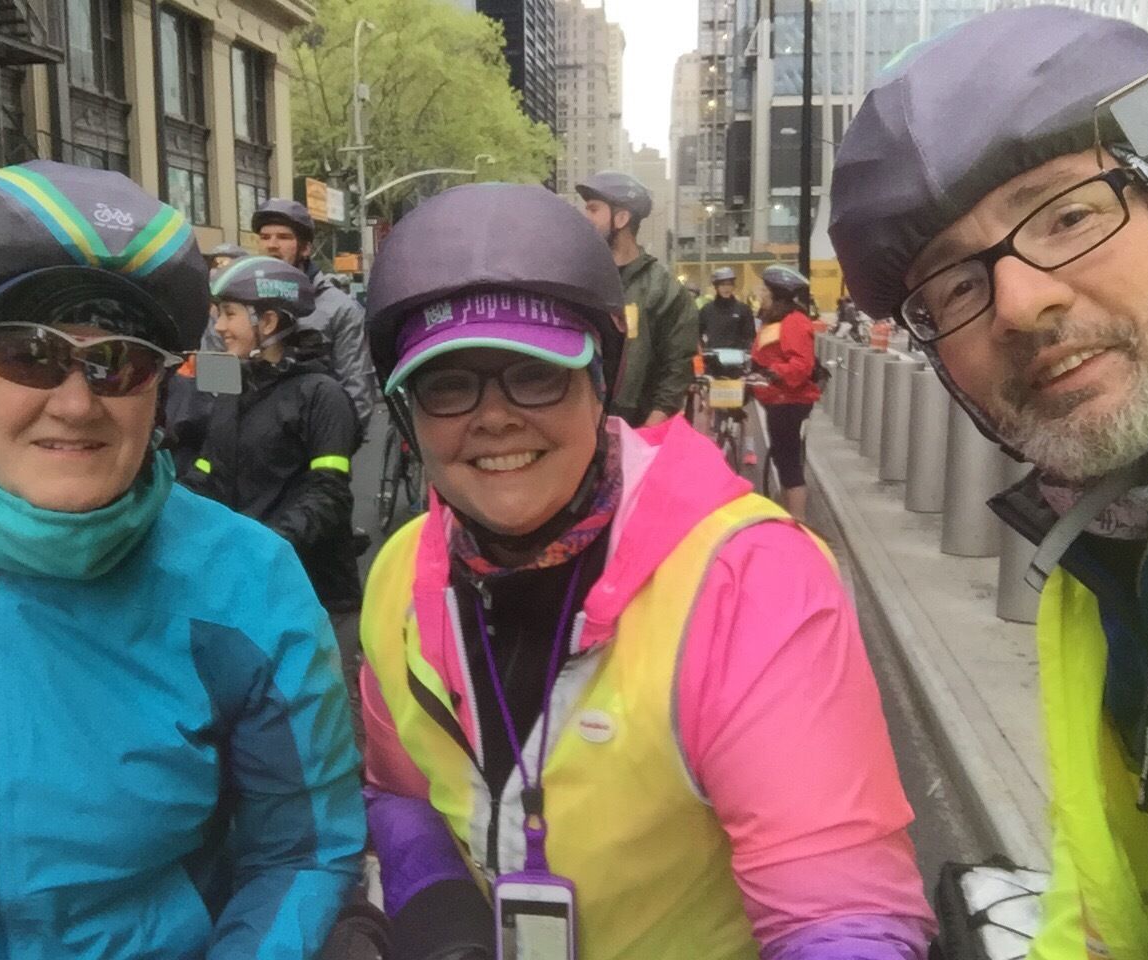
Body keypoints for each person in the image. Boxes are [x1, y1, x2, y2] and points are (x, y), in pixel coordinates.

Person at [359, 181, 934, 960]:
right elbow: (399, 791)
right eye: (448, 384)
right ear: (407, 415)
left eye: (536, 373)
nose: (494, 417)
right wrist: (440, 905)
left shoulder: (751, 579)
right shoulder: (398, 572)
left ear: (599, 383)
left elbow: (842, 912)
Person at [0, 160, 365, 957]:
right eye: (26, 353)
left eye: (119, 361)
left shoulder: (313, 408)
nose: (76, 402)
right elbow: (201, 440)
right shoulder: (219, 377)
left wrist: (251, 543)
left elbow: (299, 851)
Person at [829, 10, 1148, 957]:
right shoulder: (1097, 550)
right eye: (955, 286)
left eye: (1069, 215)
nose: (1022, 304)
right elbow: (1109, 908)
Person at [185, 254, 364, 615]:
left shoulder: (321, 394)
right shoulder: (234, 385)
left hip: (306, 591)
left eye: (229, 314)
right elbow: (208, 469)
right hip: (242, 583)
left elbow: (329, 494)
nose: (219, 327)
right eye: (218, 314)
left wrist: (266, 545)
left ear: (267, 321)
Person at [575, 171, 699, 427]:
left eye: (593, 209)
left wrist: (648, 430)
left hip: (637, 428)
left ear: (621, 218)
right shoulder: (578, 280)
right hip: (579, 428)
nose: (585, 218)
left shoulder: (664, 289)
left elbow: (677, 367)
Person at [253, 197, 377, 432]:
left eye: (284, 237)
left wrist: (332, 445)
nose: (272, 245)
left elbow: (357, 392)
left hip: (314, 442)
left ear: (306, 248)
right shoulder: (243, 304)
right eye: (265, 237)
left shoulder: (340, 309)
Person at [751, 265, 821, 521]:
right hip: (777, 400)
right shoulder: (776, 320)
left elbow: (802, 365)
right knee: (782, 460)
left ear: (776, 293)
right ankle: (789, 516)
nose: (760, 293)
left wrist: (773, 372)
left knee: (789, 463)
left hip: (790, 402)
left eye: (764, 289)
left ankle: (798, 522)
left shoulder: (794, 322)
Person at [699, 266, 756, 350]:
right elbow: (697, 333)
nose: (726, 288)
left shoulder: (743, 309)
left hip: (738, 355)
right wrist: (704, 348)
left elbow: (750, 336)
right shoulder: (707, 310)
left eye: (729, 284)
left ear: (733, 286)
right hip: (713, 355)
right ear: (716, 287)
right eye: (722, 285)